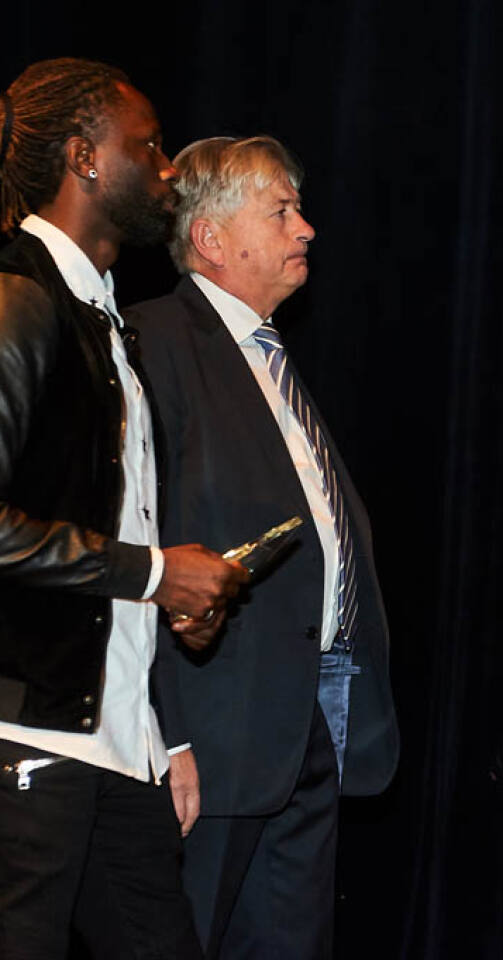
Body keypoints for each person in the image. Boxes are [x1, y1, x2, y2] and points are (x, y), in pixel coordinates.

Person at [127, 135, 400, 959]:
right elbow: (140, 543)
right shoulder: (154, 342)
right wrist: (166, 734)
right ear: (210, 238)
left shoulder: (268, 358)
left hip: (304, 726)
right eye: (280, 211)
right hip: (210, 741)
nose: (305, 228)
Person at [0, 59, 247, 960]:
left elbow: (106, 526)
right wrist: (153, 573)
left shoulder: (107, 321)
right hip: (25, 735)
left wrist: (171, 617)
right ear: (85, 159)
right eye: (148, 146)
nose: (169, 168)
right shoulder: (18, 299)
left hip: (115, 745)